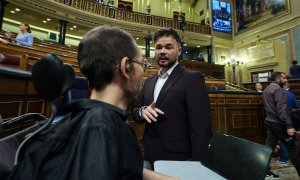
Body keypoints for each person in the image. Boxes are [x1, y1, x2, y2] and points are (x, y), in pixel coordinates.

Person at [8, 26, 177, 180]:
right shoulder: (101, 129)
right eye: (143, 64)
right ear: (126, 67)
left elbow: (119, 164)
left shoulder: (91, 119)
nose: (144, 73)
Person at [132, 28, 212, 167]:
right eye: (158, 47)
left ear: (179, 51)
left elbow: (201, 127)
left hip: (179, 160)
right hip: (149, 155)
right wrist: (143, 111)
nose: (163, 51)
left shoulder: (192, 78)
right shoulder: (149, 81)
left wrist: (199, 165)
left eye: (169, 47)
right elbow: (136, 112)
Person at [263, 72, 300, 178]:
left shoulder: (266, 89)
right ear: (278, 79)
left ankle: (265, 171)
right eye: (284, 78)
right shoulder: (278, 90)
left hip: (269, 122)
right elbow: (281, 109)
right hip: (278, 122)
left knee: (268, 148)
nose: (286, 80)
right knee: (292, 147)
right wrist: (289, 125)